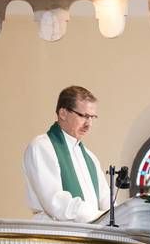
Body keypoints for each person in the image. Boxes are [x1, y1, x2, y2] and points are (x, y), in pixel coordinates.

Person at [22, 85, 110, 222]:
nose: (89, 124)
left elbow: (107, 201)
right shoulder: (42, 147)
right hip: (56, 236)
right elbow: (56, 202)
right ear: (63, 113)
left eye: (92, 117)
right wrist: (99, 216)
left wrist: (118, 216)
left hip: (90, 238)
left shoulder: (91, 158)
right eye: (84, 116)